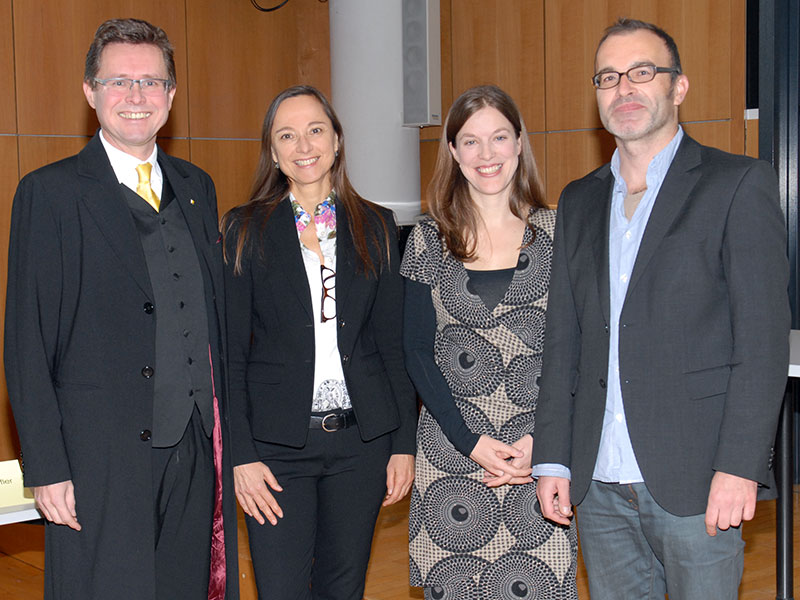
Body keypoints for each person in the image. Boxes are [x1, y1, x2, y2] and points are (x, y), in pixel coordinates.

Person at [532, 18, 789, 600]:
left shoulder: (737, 184)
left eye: (642, 72)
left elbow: (762, 345)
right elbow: (563, 340)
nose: (624, 88)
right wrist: (552, 459)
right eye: (608, 77)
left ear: (678, 87)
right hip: (596, 485)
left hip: (697, 479)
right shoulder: (578, 199)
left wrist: (741, 465)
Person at [4, 18, 238, 600]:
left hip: (193, 445)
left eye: (151, 82)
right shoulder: (50, 193)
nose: (136, 97)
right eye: (118, 82)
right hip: (96, 456)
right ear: (90, 93)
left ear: (171, 96)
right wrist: (47, 466)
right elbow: (26, 341)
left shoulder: (197, 185)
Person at [221, 84, 416, 600]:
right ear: (273, 150)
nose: (303, 144)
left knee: (342, 588)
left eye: (315, 130)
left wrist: (402, 445)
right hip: (276, 448)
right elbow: (231, 355)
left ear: (336, 140)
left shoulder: (376, 224)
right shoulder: (244, 229)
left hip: (363, 445)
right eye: (287, 135)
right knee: (281, 589)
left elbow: (391, 345)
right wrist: (241, 455)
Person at [401, 85, 578, 600]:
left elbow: (578, 347)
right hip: (452, 455)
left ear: (519, 143)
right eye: (471, 142)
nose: (487, 154)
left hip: (537, 457)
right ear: (453, 151)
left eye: (499, 137)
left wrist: (543, 442)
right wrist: (470, 442)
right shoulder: (428, 239)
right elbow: (415, 352)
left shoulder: (559, 232)